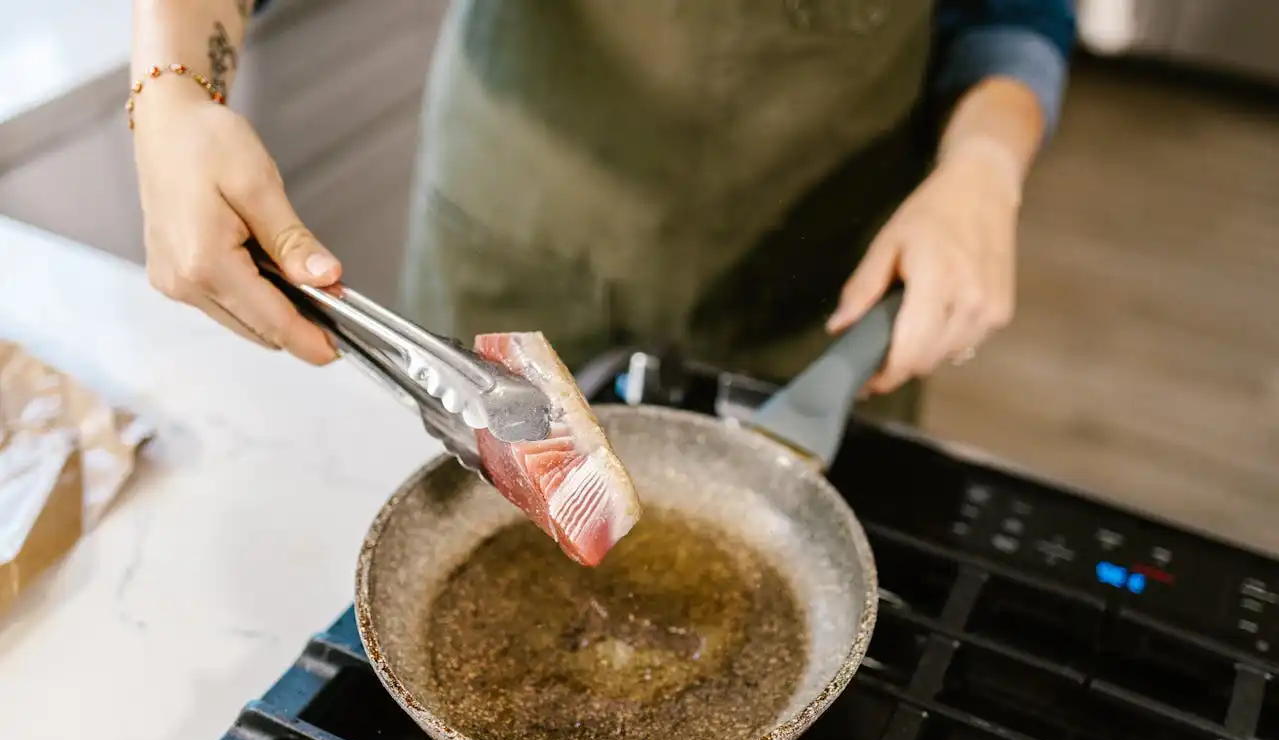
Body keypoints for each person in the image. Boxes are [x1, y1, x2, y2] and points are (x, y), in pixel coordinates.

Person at [130, 0, 1075, 424]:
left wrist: (985, 166)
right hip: (520, 239)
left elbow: (1011, 8)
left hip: (826, 282)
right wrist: (171, 90)